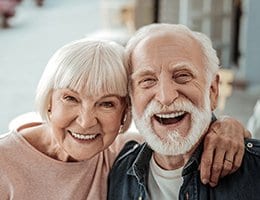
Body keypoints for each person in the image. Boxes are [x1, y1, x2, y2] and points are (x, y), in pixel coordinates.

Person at [0, 38, 249, 200]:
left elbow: (183, 134)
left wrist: (227, 126)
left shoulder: (118, 152)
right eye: (70, 99)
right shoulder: (4, 162)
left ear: (125, 115)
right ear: (49, 101)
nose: (86, 122)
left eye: (106, 104)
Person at [107, 23, 260, 200]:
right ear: (131, 98)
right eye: (148, 80)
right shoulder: (118, 172)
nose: (166, 97)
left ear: (213, 91)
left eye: (182, 76)